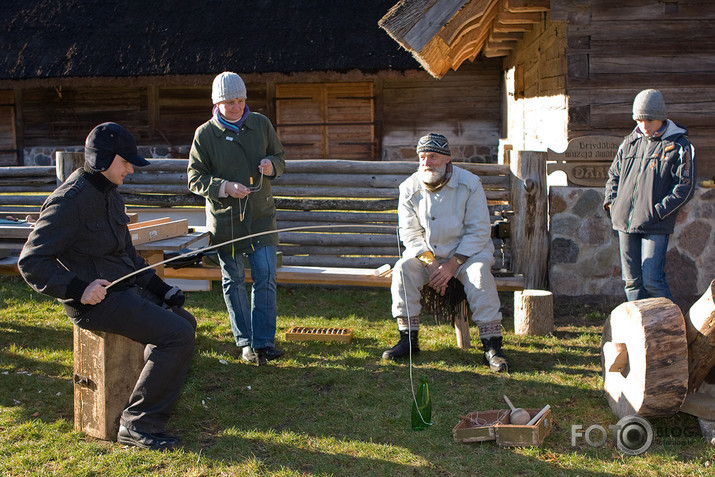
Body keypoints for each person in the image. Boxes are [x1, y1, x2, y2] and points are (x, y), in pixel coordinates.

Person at [18, 122, 196, 451]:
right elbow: (31, 261)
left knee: (184, 322)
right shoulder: (68, 202)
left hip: (124, 292)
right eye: (125, 162)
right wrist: (79, 288)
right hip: (95, 305)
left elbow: (127, 255)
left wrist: (161, 290)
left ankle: (144, 397)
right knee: (177, 335)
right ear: (105, 160)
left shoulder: (110, 194)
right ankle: (138, 424)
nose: (130, 169)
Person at [382, 133, 509, 372]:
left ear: (447, 159)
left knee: (480, 275)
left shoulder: (469, 183)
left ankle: (492, 347)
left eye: (433, 157)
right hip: (427, 256)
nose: (426, 163)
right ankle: (408, 340)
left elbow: (479, 230)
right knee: (402, 270)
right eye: (422, 157)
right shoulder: (409, 187)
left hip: (468, 254)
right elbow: (409, 233)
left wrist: (452, 265)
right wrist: (431, 264)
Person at [188, 72, 286, 366]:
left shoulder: (261, 124)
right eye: (230, 102)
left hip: (261, 217)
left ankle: (264, 342)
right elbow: (194, 179)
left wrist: (272, 166)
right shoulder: (205, 134)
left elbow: (280, 157)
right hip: (227, 221)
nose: (237, 107)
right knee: (233, 281)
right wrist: (225, 187)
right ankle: (245, 343)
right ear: (218, 103)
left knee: (266, 276)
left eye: (241, 100)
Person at [604, 89, 696, 302]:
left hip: (656, 224)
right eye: (639, 119)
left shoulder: (680, 146)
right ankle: (639, 332)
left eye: (649, 120)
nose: (643, 126)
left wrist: (658, 211)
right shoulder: (629, 142)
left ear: (661, 117)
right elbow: (613, 175)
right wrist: (612, 204)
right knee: (631, 282)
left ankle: (671, 331)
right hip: (624, 222)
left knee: (653, 280)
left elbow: (685, 187)